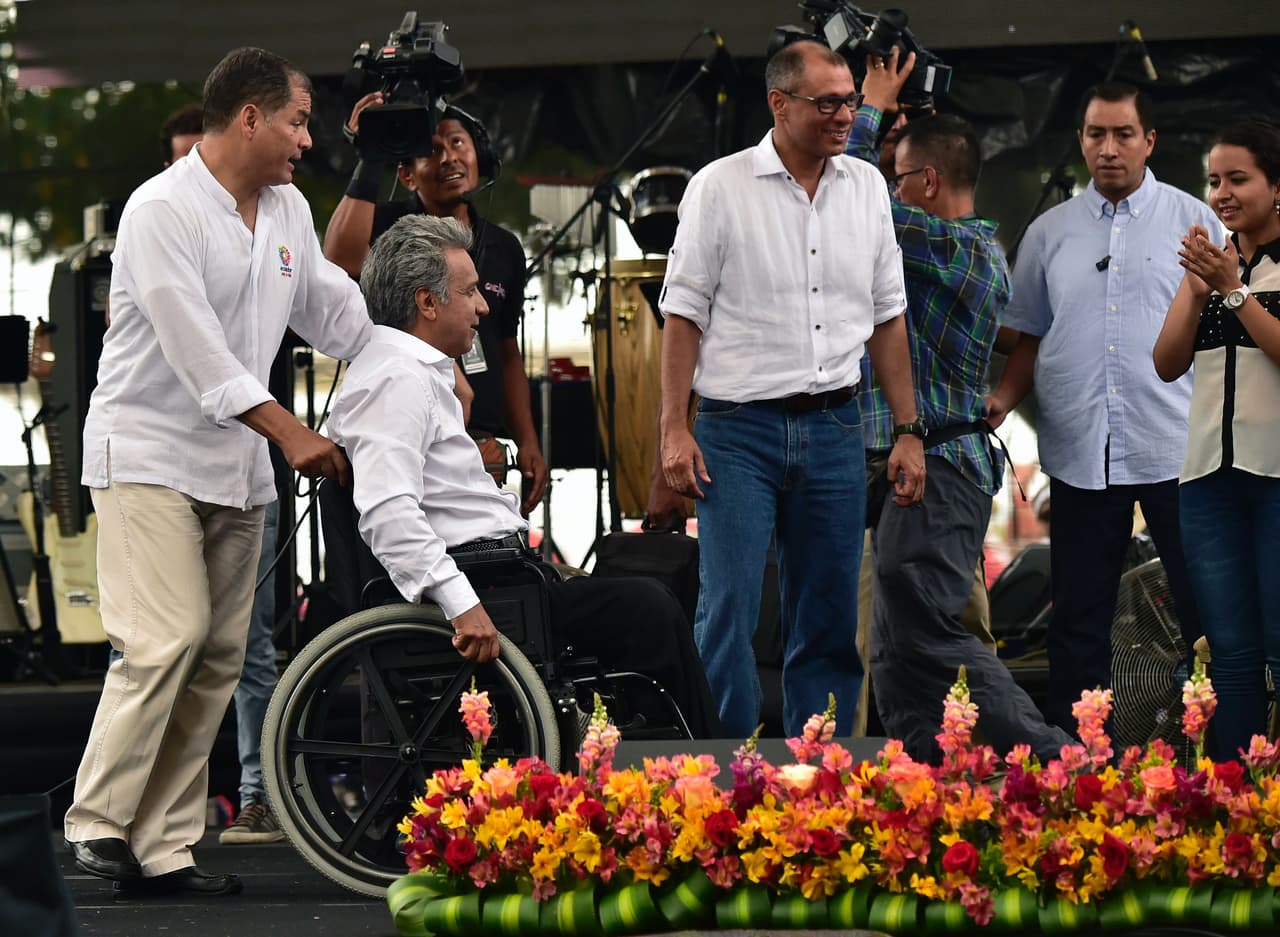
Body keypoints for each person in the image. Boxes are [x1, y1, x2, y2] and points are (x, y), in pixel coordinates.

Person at [64, 47, 372, 897]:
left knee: (218, 657)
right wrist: (292, 432)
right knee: (166, 635)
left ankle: (164, 845)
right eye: (298, 123)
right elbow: (200, 355)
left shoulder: (288, 208)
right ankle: (97, 817)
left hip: (236, 468)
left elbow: (332, 311)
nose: (307, 141)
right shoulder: (159, 209)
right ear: (249, 117)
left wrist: (417, 355)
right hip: (147, 455)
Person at [327, 213, 719, 738]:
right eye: (469, 292)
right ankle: (699, 766)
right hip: (487, 588)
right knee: (651, 607)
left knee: (651, 586)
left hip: (501, 575)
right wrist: (462, 604)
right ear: (427, 302)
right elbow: (387, 512)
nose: (484, 307)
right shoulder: (396, 380)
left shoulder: (410, 372)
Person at [659, 39, 925, 740]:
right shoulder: (719, 186)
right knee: (729, 609)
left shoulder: (866, 186)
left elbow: (888, 316)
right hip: (736, 429)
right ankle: (724, 772)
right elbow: (682, 315)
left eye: (850, 102)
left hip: (835, 425)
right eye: (827, 102)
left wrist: (908, 429)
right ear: (779, 104)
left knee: (829, 612)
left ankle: (821, 774)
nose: (845, 115)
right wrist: (673, 428)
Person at [847, 49, 1072, 762]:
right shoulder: (951, 247)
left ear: (928, 182)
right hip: (927, 466)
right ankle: (925, 772)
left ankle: (1052, 756)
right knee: (895, 647)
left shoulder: (953, 246)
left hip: (939, 467)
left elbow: (848, 201)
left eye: (899, 176)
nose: (891, 186)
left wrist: (870, 106)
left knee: (932, 628)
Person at [987, 81, 1217, 734]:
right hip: (1082, 448)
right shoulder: (1049, 231)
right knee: (1078, 620)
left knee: (1205, 613)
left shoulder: (1195, 222)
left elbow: (1229, 325)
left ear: (1150, 141)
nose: (1108, 148)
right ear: (1081, 141)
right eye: (1096, 134)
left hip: (1177, 447)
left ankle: (1225, 760)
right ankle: (1075, 762)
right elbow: (1028, 334)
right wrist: (1001, 400)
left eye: (1123, 134)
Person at [323, 95, 546, 513]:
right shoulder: (388, 227)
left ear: (480, 154)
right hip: (410, 434)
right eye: (431, 150)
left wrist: (529, 440)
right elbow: (339, 256)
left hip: (485, 445)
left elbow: (506, 349)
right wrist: (371, 155)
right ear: (407, 175)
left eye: (458, 142)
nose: (449, 158)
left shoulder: (505, 247)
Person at [1153, 120, 1280, 762]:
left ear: (1277, 186)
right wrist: (1199, 288)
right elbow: (1165, 363)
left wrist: (1234, 291)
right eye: (1213, 180)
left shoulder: (1245, 273)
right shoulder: (1212, 263)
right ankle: (1237, 801)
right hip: (1207, 481)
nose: (1221, 193)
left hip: (1276, 477)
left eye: (1238, 179)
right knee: (1228, 655)